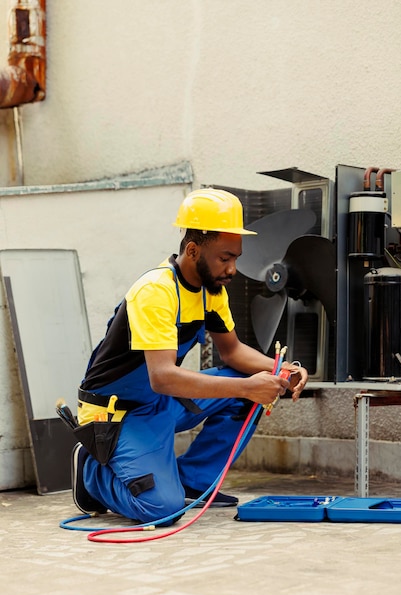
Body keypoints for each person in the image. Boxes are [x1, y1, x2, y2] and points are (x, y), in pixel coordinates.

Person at [71, 188, 308, 524]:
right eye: (225, 258)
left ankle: (193, 483)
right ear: (194, 250)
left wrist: (283, 370)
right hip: (118, 413)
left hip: (161, 401)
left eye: (236, 258)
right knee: (162, 509)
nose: (233, 269)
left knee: (257, 388)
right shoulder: (156, 291)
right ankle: (90, 474)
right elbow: (163, 376)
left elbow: (233, 352)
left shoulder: (212, 291)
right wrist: (246, 387)